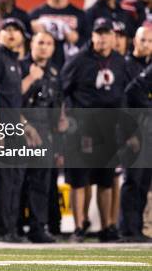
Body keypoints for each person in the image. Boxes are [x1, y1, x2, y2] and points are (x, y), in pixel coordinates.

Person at [61, 17, 130, 242]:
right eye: (98, 33)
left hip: (109, 128)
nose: (101, 37)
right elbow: (63, 90)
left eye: (105, 33)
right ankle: (79, 226)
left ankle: (107, 227)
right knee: (80, 179)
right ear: (92, 36)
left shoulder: (120, 62)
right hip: (82, 127)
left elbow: (126, 94)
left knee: (106, 179)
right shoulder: (78, 60)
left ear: (113, 37)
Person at [0, 18, 41, 242]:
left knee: (14, 179)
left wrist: (26, 125)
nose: (11, 33)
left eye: (16, 29)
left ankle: (10, 229)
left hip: (13, 126)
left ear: (23, 37)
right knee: (3, 179)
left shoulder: (13, 62)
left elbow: (10, 103)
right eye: (6, 29)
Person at [19, 31, 63, 243]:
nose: (44, 47)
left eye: (48, 43)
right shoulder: (18, 66)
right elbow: (9, 99)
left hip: (44, 132)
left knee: (41, 182)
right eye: (40, 43)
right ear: (31, 45)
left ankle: (38, 227)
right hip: (19, 128)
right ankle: (13, 227)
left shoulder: (54, 71)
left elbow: (57, 106)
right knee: (16, 182)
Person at [120, 25, 152, 242]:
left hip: (148, 131)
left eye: (150, 41)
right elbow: (124, 97)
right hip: (132, 130)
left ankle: (138, 228)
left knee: (143, 181)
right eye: (143, 40)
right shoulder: (123, 65)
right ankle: (128, 230)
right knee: (133, 180)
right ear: (135, 41)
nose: (147, 45)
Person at [30, 0, 88, 68]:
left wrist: (77, 39)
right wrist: (34, 33)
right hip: (42, 69)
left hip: (72, 68)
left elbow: (89, 42)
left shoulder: (80, 14)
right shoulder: (35, 14)